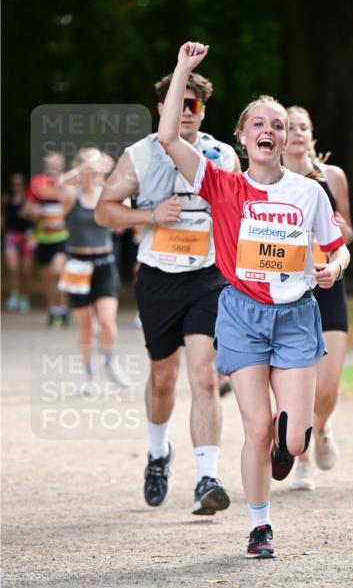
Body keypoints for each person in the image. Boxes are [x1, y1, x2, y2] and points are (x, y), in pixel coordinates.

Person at [157, 41, 350, 558]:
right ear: (243, 137)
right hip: (241, 314)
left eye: (278, 125)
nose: (269, 131)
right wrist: (182, 71)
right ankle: (259, 526)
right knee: (257, 427)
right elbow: (168, 135)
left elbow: (339, 248)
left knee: (292, 441)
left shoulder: (309, 192)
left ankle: (288, 451)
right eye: (259, 124)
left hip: (296, 316)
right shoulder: (219, 185)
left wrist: (332, 267)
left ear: (285, 139)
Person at [95, 66, 240, 517]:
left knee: (203, 373)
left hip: (208, 277)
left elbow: (239, 215)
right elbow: (104, 211)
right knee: (164, 377)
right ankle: (158, 454)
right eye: (180, 103)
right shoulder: (140, 155)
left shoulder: (223, 156)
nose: (187, 112)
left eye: (195, 105)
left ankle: (206, 477)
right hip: (159, 275)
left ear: (203, 111)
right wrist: (151, 216)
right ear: (164, 109)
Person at [282, 106, 353, 491]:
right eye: (289, 127)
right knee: (300, 382)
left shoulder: (333, 177)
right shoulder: (269, 180)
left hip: (328, 284)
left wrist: (342, 231)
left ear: (312, 133)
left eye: (303, 126)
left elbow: (350, 237)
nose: (296, 132)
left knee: (327, 386)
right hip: (288, 288)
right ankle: (303, 458)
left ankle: (321, 427)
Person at [56, 148, 129, 395]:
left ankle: (110, 360)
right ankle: (88, 374)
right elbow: (59, 183)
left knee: (107, 322)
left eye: (97, 162)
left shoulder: (107, 195)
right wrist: (83, 168)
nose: (92, 167)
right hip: (77, 264)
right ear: (79, 166)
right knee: (86, 327)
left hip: (104, 263)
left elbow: (126, 207)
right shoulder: (71, 195)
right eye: (87, 163)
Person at [23, 151, 69, 326]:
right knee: (46, 277)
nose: (53, 167)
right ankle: (53, 310)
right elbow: (27, 209)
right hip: (43, 236)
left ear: (62, 165)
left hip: (64, 236)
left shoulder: (68, 182)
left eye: (56, 164)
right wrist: (34, 211)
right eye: (49, 164)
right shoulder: (37, 183)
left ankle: (63, 309)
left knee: (59, 270)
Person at [2, 173, 35, 313]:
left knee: (26, 270)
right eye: (14, 184)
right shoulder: (6, 199)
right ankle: (14, 296)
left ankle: (24, 298)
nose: (16, 186)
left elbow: (35, 218)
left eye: (19, 184)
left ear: (23, 185)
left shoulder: (29, 200)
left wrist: (29, 212)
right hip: (11, 235)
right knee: (13, 268)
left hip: (27, 236)